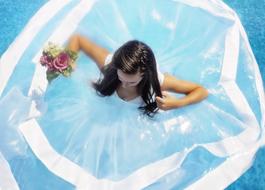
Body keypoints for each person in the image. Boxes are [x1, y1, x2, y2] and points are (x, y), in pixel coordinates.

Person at [67, 34, 208, 116]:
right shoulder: (110, 67)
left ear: (145, 76)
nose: (123, 85)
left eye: (131, 82)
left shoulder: (157, 81)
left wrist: (177, 103)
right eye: (121, 78)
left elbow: (201, 91)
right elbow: (77, 39)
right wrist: (69, 60)